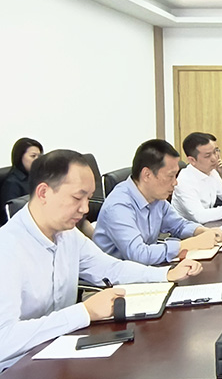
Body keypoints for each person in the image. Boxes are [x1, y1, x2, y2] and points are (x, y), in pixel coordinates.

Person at [0, 150, 202, 371]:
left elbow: (109, 268)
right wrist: (84, 312)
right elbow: (4, 340)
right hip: (17, 368)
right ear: (43, 193)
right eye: (77, 198)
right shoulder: (7, 248)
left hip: (59, 355)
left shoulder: (67, 234)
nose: (85, 209)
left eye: (88, 198)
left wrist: (164, 274)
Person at [93, 139, 222, 265]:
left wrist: (202, 231)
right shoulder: (119, 206)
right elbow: (139, 255)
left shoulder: (156, 198)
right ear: (147, 175)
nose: (175, 183)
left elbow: (179, 225)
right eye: (170, 176)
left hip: (146, 270)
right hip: (116, 276)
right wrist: (191, 244)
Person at [172, 132, 222, 223]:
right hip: (188, 229)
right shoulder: (184, 181)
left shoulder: (212, 172)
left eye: (215, 152)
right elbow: (200, 216)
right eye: (207, 156)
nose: (214, 158)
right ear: (192, 160)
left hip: (207, 225)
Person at [0, 138, 43, 223]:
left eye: (39, 156)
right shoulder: (12, 183)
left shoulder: (36, 178)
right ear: (20, 157)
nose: (37, 160)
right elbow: (10, 213)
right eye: (33, 156)